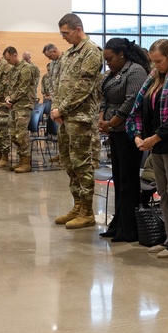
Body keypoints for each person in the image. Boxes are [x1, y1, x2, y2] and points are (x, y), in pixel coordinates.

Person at [127, 39, 168, 256]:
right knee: (163, 193)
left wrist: (155, 138)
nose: (156, 66)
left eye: (159, 61)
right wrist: (138, 135)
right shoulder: (155, 78)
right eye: (153, 62)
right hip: (155, 143)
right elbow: (141, 109)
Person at [52, 13, 103, 229]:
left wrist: (61, 108)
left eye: (66, 33)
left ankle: (87, 211)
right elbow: (59, 83)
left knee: (82, 164)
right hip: (65, 118)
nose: (63, 37)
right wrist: (57, 109)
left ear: (78, 29)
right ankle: (77, 205)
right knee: (69, 162)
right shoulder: (69, 53)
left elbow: (83, 86)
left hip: (81, 118)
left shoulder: (91, 51)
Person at [98, 38, 149, 242]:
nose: (107, 63)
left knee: (128, 181)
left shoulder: (135, 71)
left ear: (121, 54)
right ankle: (118, 223)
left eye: (110, 59)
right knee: (119, 179)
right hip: (115, 131)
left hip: (129, 132)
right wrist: (102, 118)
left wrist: (111, 122)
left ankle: (129, 228)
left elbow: (132, 101)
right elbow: (105, 96)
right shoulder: (114, 72)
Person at [3, 46, 38, 173]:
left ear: (14, 55)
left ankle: (26, 162)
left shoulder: (26, 68)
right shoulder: (13, 69)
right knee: (13, 135)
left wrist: (11, 99)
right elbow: (9, 87)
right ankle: (20, 159)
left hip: (23, 106)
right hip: (14, 105)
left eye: (8, 59)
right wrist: (8, 98)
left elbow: (23, 88)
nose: (8, 62)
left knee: (22, 135)